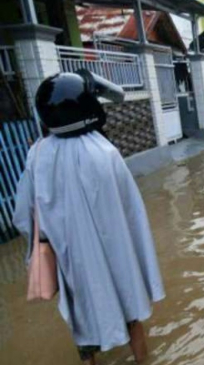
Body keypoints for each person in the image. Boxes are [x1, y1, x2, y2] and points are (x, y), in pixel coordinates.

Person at [13, 70, 164, 365]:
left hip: (73, 263)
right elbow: (130, 212)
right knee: (130, 314)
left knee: (82, 328)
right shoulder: (104, 152)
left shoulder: (38, 155)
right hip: (115, 258)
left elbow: (24, 215)